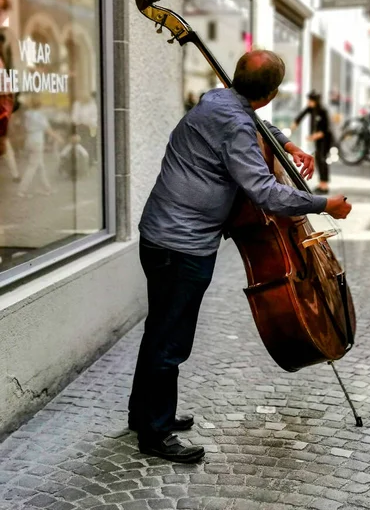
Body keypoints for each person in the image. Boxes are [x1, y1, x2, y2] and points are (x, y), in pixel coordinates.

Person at [128, 50, 352, 464]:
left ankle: (143, 414)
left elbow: (255, 124)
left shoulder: (218, 100)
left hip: (161, 235)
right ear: (270, 94)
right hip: (182, 246)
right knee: (170, 340)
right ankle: (155, 435)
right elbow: (265, 192)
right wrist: (324, 203)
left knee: (160, 328)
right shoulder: (234, 124)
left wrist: (285, 142)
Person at [17, 96, 61, 198]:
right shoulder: (40, 116)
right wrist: (58, 138)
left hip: (29, 139)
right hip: (37, 141)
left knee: (39, 165)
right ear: (40, 105)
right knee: (33, 166)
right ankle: (22, 190)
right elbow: (48, 129)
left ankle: (46, 188)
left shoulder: (27, 115)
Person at [290, 91, 332, 194]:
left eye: (311, 100)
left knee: (322, 159)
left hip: (325, 139)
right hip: (318, 139)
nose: (309, 102)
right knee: (319, 159)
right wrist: (295, 123)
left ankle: (324, 185)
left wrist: (313, 136)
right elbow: (302, 114)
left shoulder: (323, 111)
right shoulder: (311, 108)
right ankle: (321, 183)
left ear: (316, 101)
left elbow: (326, 130)